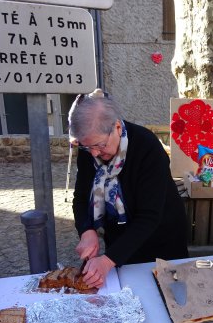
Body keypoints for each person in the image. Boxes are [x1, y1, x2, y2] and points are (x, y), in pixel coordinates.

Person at [69, 89, 188, 288]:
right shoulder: (90, 148)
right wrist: (86, 230)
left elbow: (149, 216)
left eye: (100, 145)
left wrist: (107, 260)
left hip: (161, 241)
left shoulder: (147, 146)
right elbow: (81, 197)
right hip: (120, 242)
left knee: (163, 298)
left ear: (116, 127)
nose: (94, 153)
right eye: (87, 147)